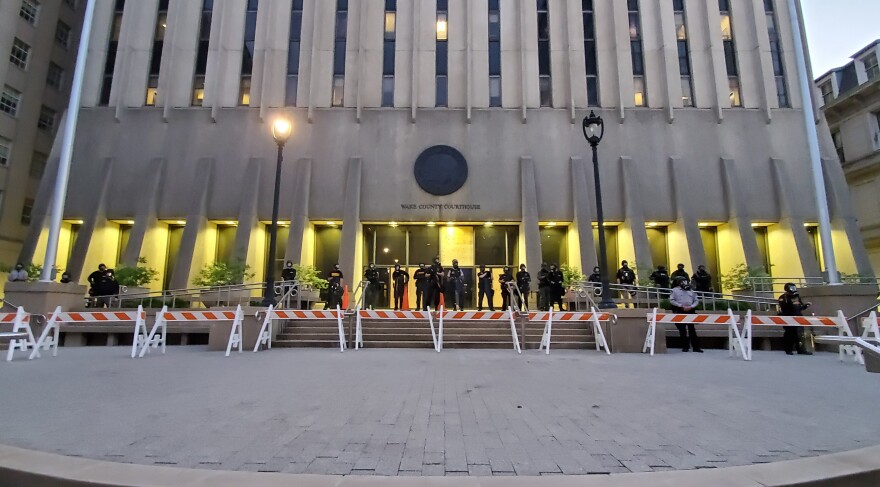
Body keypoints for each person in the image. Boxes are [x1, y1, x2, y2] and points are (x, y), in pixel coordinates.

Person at [669, 277, 703, 353]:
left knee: (692, 329)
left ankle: (696, 347)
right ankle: (685, 347)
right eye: (682, 281)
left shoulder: (691, 290)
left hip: (690, 310)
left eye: (685, 281)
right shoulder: (674, 290)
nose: (684, 282)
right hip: (680, 310)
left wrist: (691, 306)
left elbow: (696, 300)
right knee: (682, 329)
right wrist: (680, 306)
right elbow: (672, 300)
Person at [778, 283, 813, 356]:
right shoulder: (783, 297)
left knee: (800, 334)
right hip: (788, 318)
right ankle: (788, 349)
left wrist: (806, 305)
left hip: (798, 317)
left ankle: (801, 349)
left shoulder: (797, 297)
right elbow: (784, 308)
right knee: (789, 334)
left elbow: (800, 306)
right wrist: (792, 304)